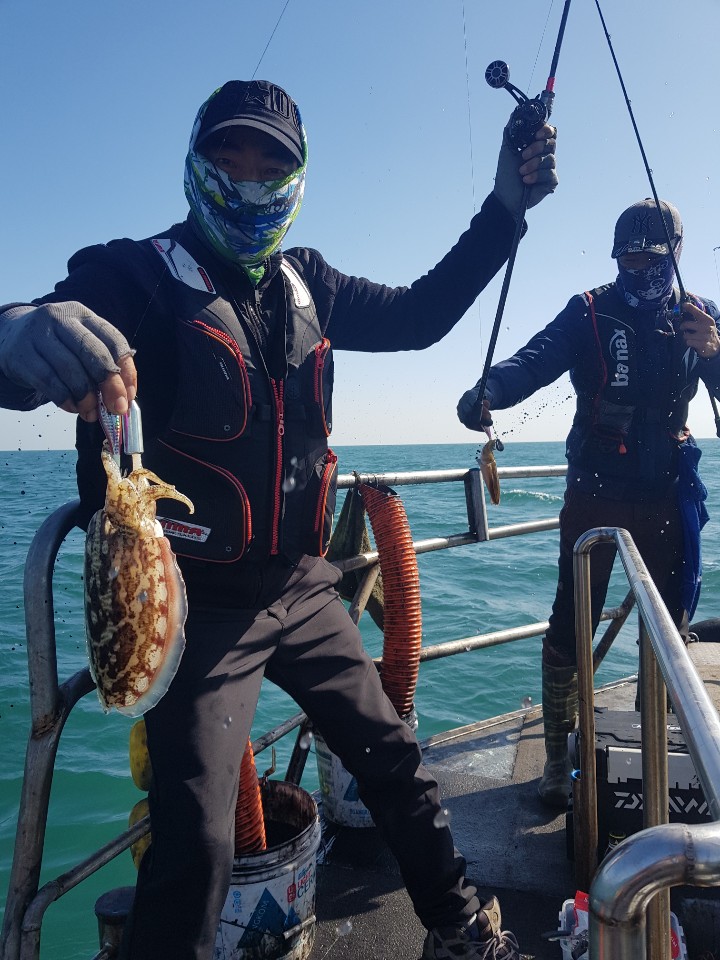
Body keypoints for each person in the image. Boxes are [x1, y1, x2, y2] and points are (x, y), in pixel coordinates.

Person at [0, 81, 557, 960]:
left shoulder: (315, 284)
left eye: (271, 165)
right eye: (227, 160)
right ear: (193, 164)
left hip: (302, 587)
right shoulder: (133, 275)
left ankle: (463, 932)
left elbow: (421, 313)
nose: (248, 182)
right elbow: (34, 346)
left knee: (398, 765)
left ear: (298, 179)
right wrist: (17, 328)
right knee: (198, 841)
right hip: (197, 608)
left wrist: (505, 209)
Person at [457, 198, 720, 808]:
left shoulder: (700, 316)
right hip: (594, 494)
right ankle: (557, 756)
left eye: (648, 258)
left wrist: (714, 351)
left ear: (674, 256)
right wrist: (487, 391)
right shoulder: (588, 311)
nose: (636, 268)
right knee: (570, 622)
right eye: (625, 257)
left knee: (667, 629)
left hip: (667, 497)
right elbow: (533, 360)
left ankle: (651, 738)